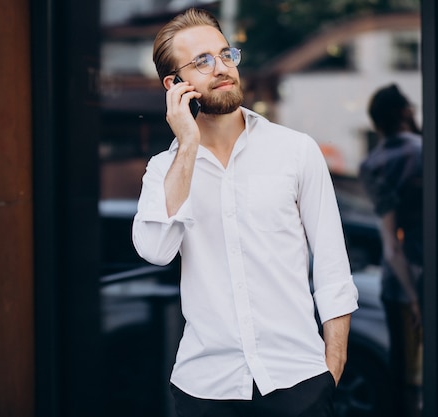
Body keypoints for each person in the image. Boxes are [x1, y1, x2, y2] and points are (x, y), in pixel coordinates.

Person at [132, 8, 358, 417]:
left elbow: (332, 268)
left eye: (225, 54)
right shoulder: (164, 170)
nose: (221, 68)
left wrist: (332, 368)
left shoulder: (295, 150)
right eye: (202, 62)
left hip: (299, 383)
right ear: (175, 85)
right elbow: (156, 250)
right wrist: (187, 145)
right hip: (206, 389)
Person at [359, 84, 423, 417]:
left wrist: (410, 295)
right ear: (405, 113)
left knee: (408, 379)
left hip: (399, 284)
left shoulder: (374, 163)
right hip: (432, 274)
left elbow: (391, 243)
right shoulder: (428, 150)